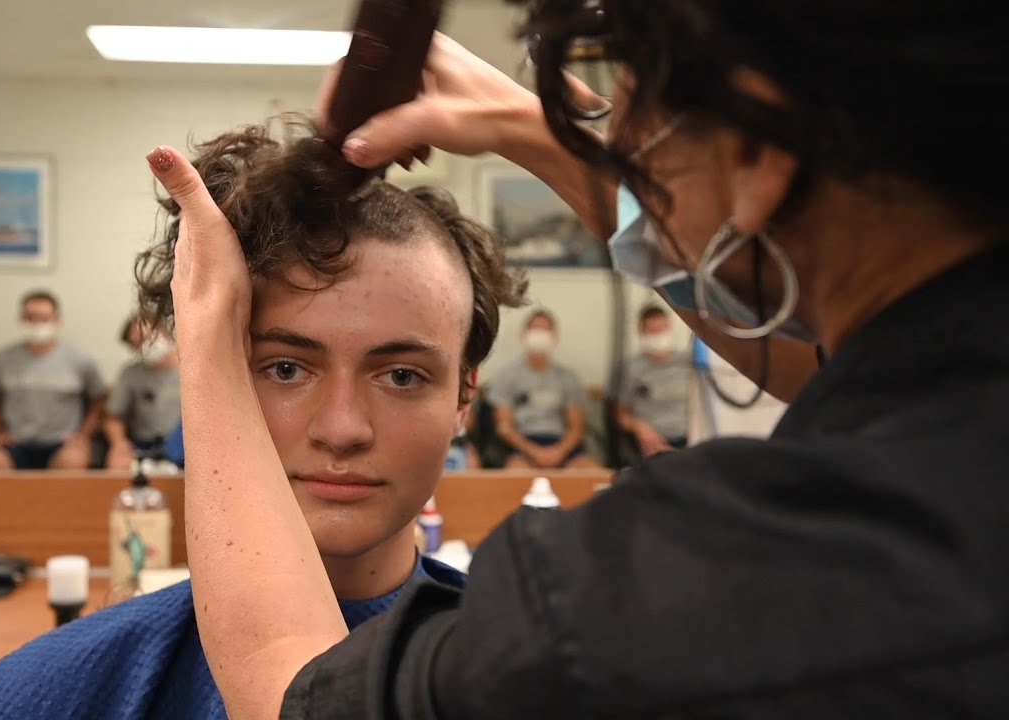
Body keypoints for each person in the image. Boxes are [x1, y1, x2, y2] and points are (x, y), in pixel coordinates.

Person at [150, 0, 1009, 716]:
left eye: (629, 104)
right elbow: (843, 362)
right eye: (286, 365)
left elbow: (290, 691)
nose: (618, 136)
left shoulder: (726, 580)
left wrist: (215, 348)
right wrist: (544, 136)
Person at [0, 118, 526, 719]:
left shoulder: (539, 685)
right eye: (284, 369)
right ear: (211, 380)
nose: (342, 428)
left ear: (465, 398)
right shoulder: (53, 693)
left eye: (402, 376)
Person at [0, 290, 106, 470]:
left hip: (62, 443)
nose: (37, 324)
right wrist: (0, 431)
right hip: (16, 442)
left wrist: (83, 435)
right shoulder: (3, 359)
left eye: (44, 318)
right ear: (21, 319)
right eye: (31, 318)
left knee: (73, 462)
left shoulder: (80, 359)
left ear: (57, 320)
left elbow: (100, 399)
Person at [486, 308, 596, 468]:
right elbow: (505, 427)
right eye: (535, 329)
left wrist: (558, 452)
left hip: (561, 445)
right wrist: (534, 452)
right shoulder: (507, 376)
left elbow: (577, 428)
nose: (539, 335)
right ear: (524, 335)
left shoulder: (568, 378)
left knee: (592, 472)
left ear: (555, 337)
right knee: (516, 474)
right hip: (522, 446)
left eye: (545, 330)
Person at [104, 313, 182, 470]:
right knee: (117, 464)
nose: (145, 346)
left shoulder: (193, 368)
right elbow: (113, 417)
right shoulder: (130, 374)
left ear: (164, 332)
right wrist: (119, 444)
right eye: (137, 344)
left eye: (147, 338)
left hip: (188, 445)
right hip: (145, 446)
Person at [617, 304, 691, 456]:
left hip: (691, 438)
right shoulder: (632, 369)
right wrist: (640, 428)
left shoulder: (690, 363)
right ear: (641, 333)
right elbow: (621, 415)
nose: (659, 336)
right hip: (652, 442)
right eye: (653, 331)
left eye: (662, 330)